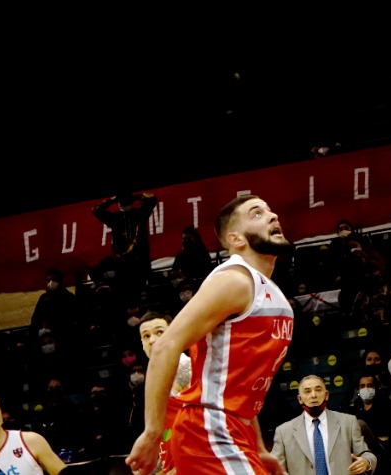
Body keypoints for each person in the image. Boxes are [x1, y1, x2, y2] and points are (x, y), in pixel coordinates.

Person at [125, 194, 293, 475]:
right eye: (257, 213)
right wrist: (153, 432)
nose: (273, 216)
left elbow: (242, 390)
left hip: (235, 430)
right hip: (209, 429)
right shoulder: (233, 281)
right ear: (236, 239)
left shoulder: (269, 292)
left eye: (270, 210)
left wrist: (260, 450)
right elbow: (167, 346)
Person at [271, 375, 376, 475]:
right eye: (307, 391)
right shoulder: (284, 432)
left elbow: (367, 454)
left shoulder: (348, 422)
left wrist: (366, 462)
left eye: (318, 390)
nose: (313, 395)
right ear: (300, 399)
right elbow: (275, 469)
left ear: (326, 395)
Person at [135, 311, 192, 475]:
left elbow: (210, 421)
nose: (152, 340)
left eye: (159, 332)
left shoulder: (184, 367)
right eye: (146, 336)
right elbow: (166, 434)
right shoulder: (155, 376)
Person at [92, 189, 159, 294]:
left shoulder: (139, 215)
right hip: (124, 263)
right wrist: (116, 199)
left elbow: (153, 199)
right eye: (122, 200)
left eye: (125, 200)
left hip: (139, 261)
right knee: (126, 291)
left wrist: (130, 197)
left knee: (140, 291)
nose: (123, 202)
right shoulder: (116, 218)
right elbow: (95, 210)